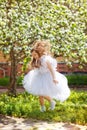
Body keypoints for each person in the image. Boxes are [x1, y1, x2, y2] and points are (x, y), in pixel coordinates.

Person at [23, 40, 70, 112]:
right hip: (38, 76)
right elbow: (36, 66)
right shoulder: (36, 59)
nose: (34, 57)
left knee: (41, 93)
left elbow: (51, 69)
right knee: (40, 94)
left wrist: (54, 78)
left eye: (42, 46)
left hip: (46, 76)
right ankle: (43, 107)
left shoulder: (45, 59)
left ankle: (51, 102)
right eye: (39, 46)